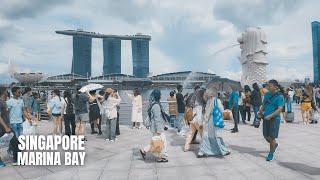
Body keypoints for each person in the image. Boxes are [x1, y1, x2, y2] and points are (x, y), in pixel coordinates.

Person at [197, 87, 231, 158]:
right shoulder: (217, 100)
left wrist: (203, 122)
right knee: (216, 136)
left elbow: (206, 112)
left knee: (206, 136)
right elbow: (222, 110)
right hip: (215, 120)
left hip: (208, 121)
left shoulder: (208, 101)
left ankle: (202, 151)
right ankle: (222, 150)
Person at [139, 89, 168, 163]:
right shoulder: (156, 106)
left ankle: (144, 151)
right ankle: (159, 157)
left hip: (156, 127)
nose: (161, 95)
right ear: (158, 96)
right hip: (156, 128)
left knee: (155, 142)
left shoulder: (153, 103)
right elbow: (157, 119)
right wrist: (158, 130)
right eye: (160, 94)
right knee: (161, 143)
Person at [259, 80, 284, 161]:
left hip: (274, 119)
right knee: (266, 136)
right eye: (268, 86)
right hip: (266, 117)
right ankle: (274, 145)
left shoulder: (280, 96)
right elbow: (264, 104)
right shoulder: (267, 94)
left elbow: (280, 109)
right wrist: (260, 112)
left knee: (271, 137)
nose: (268, 87)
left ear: (275, 87)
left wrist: (271, 115)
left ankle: (271, 153)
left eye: (270, 86)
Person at [0, 87, 20, 167]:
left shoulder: (3, 101)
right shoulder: (0, 102)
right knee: (15, 142)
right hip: (3, 127)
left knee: (15, 142)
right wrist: (6, 127)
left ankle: (16, 159)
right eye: (6, 91)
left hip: (6, 125)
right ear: (3, 92)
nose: (7, 92)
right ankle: (16, 159)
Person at [184, 85, 205, 152]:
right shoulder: (200, 103)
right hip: (197, 120)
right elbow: (199, 115)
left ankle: (186, 147)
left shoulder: (192, 98)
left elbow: (187, 103)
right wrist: (201, 124)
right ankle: (204, 149)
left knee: (190, 133)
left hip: (192, 119)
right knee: (203, 135)